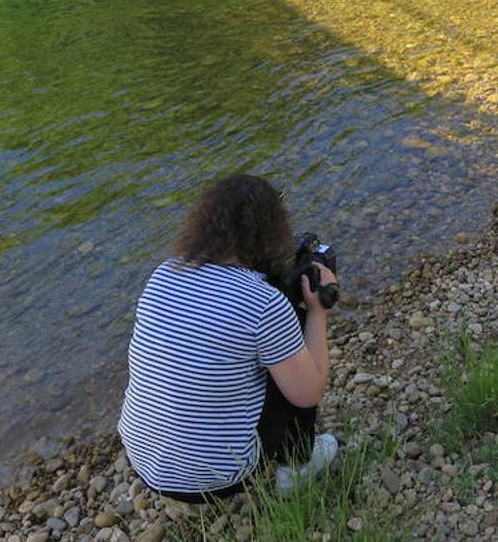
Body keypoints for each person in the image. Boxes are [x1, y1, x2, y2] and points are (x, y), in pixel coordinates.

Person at [118, 174, 339, 501]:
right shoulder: (264, 302)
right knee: (288, 365)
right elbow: (308, 393)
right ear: (272, 230)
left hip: (142, 458)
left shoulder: (165, 272)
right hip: (218, 477)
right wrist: (317, 310)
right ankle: (296, 466)